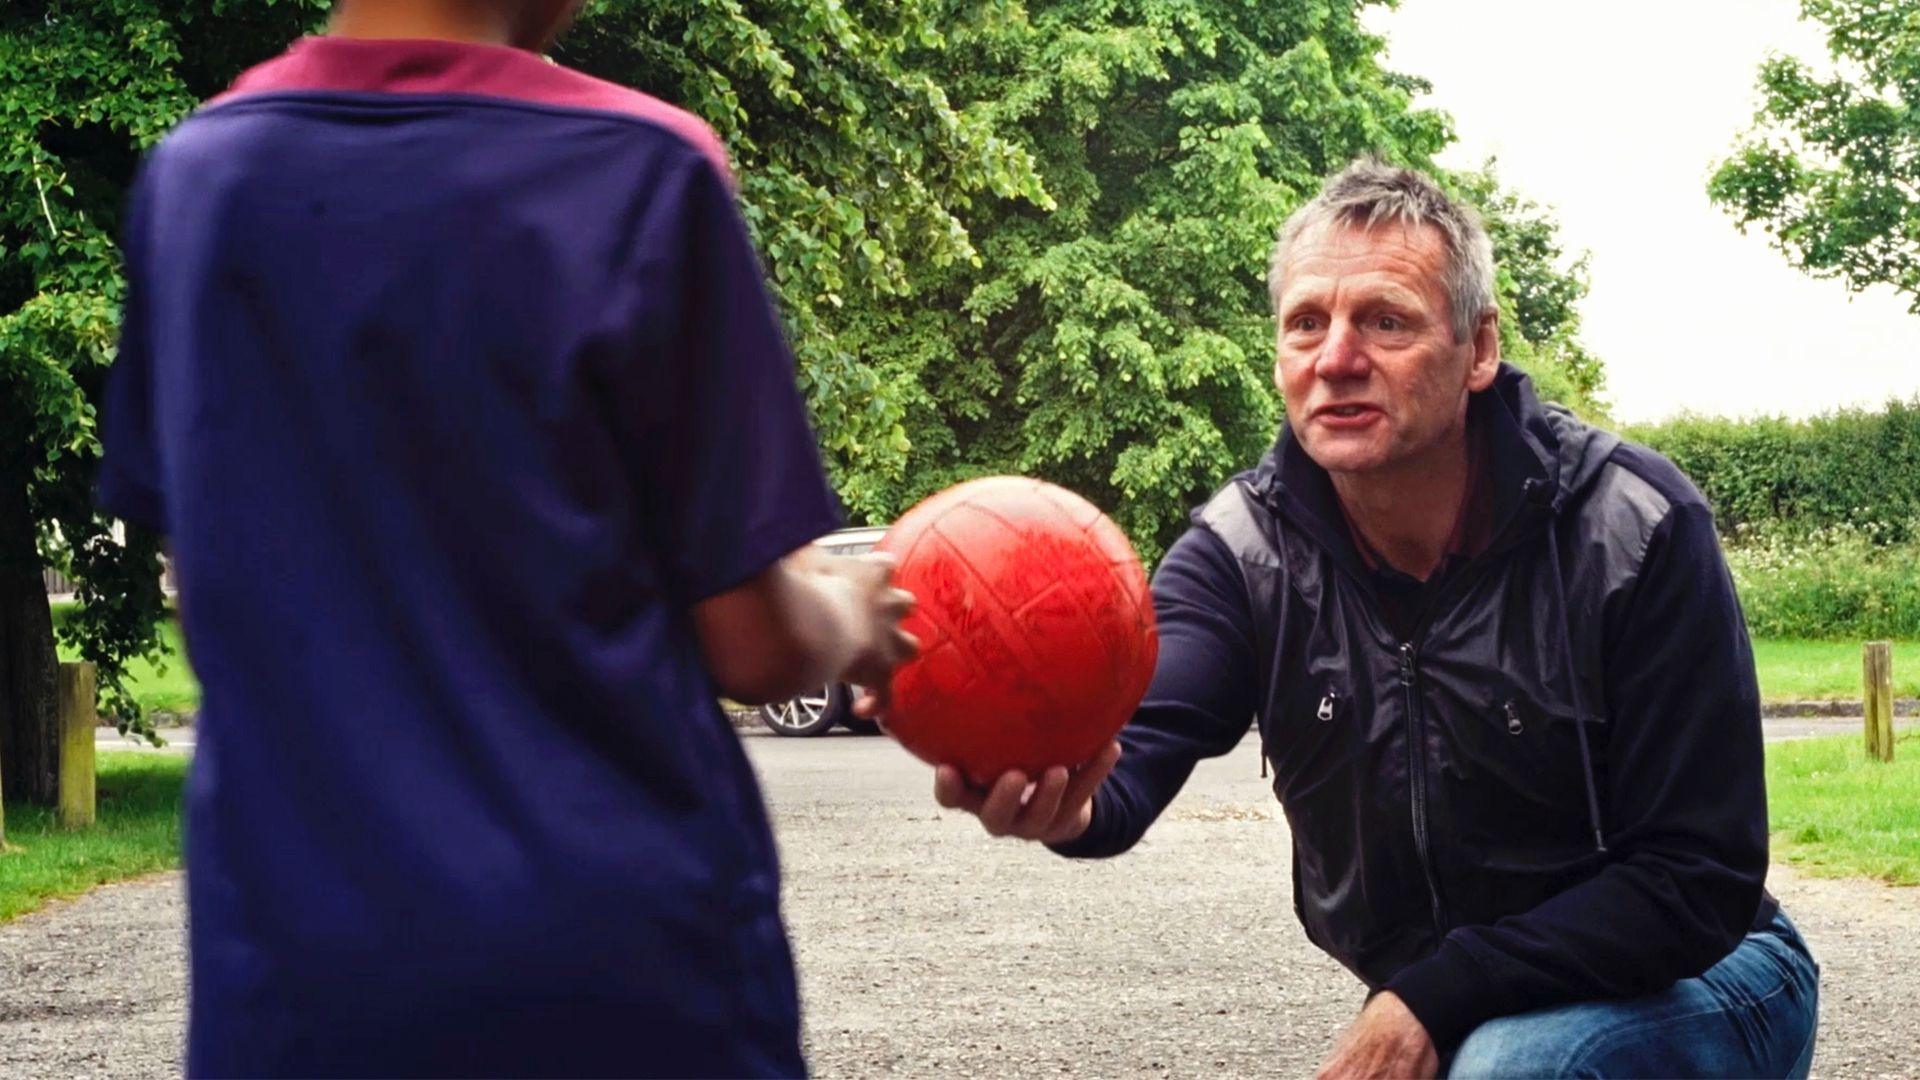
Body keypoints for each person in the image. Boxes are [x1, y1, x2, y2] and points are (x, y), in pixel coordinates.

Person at [97, 1, 914, 1075]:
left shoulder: (197, 180)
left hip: (301, 988)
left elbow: (210, 590)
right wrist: (852, 611)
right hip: (624, 981)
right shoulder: (642, 170)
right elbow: (753, 645)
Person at [931, 159, 1820, 1078]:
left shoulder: (1630, 525)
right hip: (1462, 996)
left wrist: (1430, 997)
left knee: (1516, 1067)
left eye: (1385, 320)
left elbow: (1699, 880)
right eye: (1306, 323)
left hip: (1711, 973)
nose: (1336, 357)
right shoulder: (1243, 553)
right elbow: (1130, 761)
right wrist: (1060, 796)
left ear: (1479, 351)